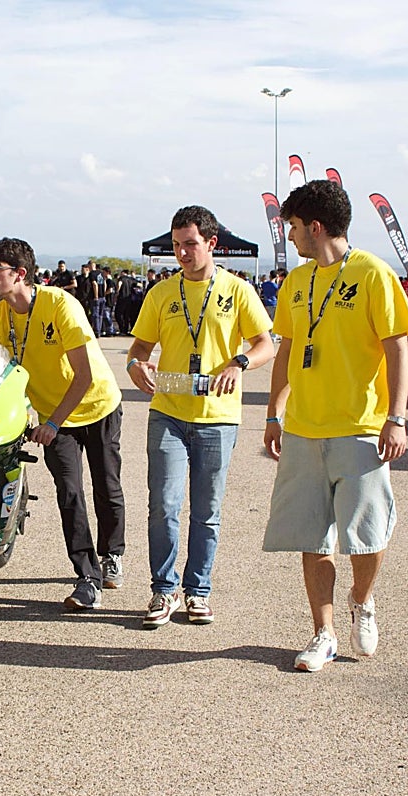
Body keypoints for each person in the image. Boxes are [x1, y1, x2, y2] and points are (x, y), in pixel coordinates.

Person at [262, 179, 408, 672]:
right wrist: (273, 412)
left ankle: (363, 601)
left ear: (316, 225)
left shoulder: (373, 274)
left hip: (360, 428)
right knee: (312, 535)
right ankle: (323, 633)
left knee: (366, 536)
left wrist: (396, 418)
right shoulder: (296, 282)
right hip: (305, 429)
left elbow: (397, 347)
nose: (288, 236)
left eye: (292, 227)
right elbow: (286, 349)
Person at [126, 206, 274, 628]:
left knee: (206, 510)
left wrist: (239, 363)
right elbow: (139, 351)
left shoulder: (237, 290)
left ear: (211, 243)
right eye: (176, 245)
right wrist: (137, 369)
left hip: (218, 417)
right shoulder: (161, 293)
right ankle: (163, 589)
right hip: (168, 413)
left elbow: (267, 344)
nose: (182, 253)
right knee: (164, 506)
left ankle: (198, 590)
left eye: (190, 244)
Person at [0, 237, 125, 608]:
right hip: (56, 419)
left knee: (107, 486)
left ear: (20, 274)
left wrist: (53, 423)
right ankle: (87, 577)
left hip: (96, 405)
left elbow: (84, 375)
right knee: (69, 491)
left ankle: (112, 554)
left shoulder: (60, 305)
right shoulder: (1, 315)